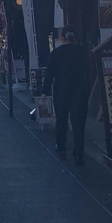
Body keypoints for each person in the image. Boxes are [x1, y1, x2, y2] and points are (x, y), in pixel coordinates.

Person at [42, 27, 91, 164]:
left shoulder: (57, 53)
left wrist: (44, 91)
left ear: (63, 38)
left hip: (61, 91)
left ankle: (62, 148)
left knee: (61, 121)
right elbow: (87, 71)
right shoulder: (82, 52)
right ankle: (78, 154)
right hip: (79, 92)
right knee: (78, 124)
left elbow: (49, 73)